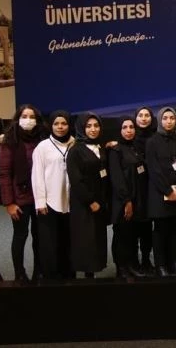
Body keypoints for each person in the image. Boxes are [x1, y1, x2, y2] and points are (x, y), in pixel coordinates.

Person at [0, 104, 48, 280]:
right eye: (24, 116)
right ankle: (19, 273)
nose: (28, 120)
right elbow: (4, 174)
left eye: (32, 116)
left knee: (39, 236)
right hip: (19, 199)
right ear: (17, 119)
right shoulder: (8, 141)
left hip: (41, 197)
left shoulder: (43, 139)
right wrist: (9, 203)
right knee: (20, 235)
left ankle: (39, 272)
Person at [146, 107, 176, 277]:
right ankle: (160, 265)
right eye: (165, 118)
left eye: (172, 118)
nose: (169, 121)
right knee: (160, 230)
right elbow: (154, 170)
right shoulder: (152, 142)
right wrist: (168, 191)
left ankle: (174, 260)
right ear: (160, 120)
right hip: (161, 195)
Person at [66, 112, 110, 278]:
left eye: (96, 126)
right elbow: (76, 180)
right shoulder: (75, 151)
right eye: (89, 126)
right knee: (86, 238)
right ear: (81, 128)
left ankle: (94, 270)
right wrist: (90, 201)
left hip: (99, 200)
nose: (93, 129)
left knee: (97, 237)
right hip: (84, 203)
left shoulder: (99, 147)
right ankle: (87, 276)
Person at [31, 110, 74, 279]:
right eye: (56, 124)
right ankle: (51, 278)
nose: (60, 127)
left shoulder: (75, 143)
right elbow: (37, 176)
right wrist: (40, 202)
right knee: (50, 242)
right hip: (49, 203)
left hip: (70, 203)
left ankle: (69, 275)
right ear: (51, 125)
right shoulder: (42, 147)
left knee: (68, 241)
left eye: (64, 123)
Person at [108, 116, 147, 278]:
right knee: (122, 235)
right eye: (125, 127)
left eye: (131, 127)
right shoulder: (115, 150)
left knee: (132, 235)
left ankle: (132, 264)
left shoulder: (135, 148)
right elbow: (117, 178)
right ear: (119, 130)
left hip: (137, 199)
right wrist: (127, 201)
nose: (129, 130)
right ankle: (121, 267)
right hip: (123, 201)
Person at [132, 106, 156, 273]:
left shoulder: (156, 137)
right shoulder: (129, 137)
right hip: (135, 189)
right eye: (140, 115)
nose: (144, 118)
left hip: (152, 187)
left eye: (147, 115)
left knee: (148, 227)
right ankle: (134, 261)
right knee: (135, 227)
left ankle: (147, 259)